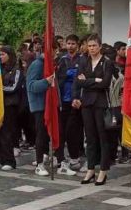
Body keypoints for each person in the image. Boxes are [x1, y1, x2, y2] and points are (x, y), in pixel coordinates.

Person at [74, 34, 114, 185]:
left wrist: (88, 81)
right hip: (86, 103)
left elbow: (105, 83)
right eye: (89, 46)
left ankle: (103, 170)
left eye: (94, 46)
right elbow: (78, 81)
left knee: (102, 137)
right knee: (90, 137)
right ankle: (90, 169)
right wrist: (94, 80)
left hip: (101, 103)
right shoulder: (84, 61)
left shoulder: (107, 63)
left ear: (100, 46)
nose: (91, 48)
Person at [26, 44, 55, 177]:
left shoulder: (52, 63)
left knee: (50, 134)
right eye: (52, 50)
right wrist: (46, 82)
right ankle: (39, 163)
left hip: (51, 104)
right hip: (40, 106)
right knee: (41, 135)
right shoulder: (37, 64)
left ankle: (47, 155)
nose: (54, 53)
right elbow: (31, 85)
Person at [56, 35, 82, 175]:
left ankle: (75, 157)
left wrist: (70, 75)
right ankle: (60, 157)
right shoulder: (61, 59)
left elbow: (82, 78)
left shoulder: (82, 59)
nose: (70, 46)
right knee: (62, 130)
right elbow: (58, 77)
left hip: (76, 100)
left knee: (73, 130)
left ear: (77, 45)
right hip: (63, 100)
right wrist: (69, 75)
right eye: (68, 43)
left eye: (73, 43)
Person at [0, 46, 22, 171]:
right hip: (0, 104)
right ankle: (2, 158)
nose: (0, 57)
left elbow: (14, 87)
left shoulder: (16, 69)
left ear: (9, 55)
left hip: (10, 105)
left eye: (3, 54)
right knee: (0, 132)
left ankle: (9, 160)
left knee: (7, 133)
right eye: (0, 54)